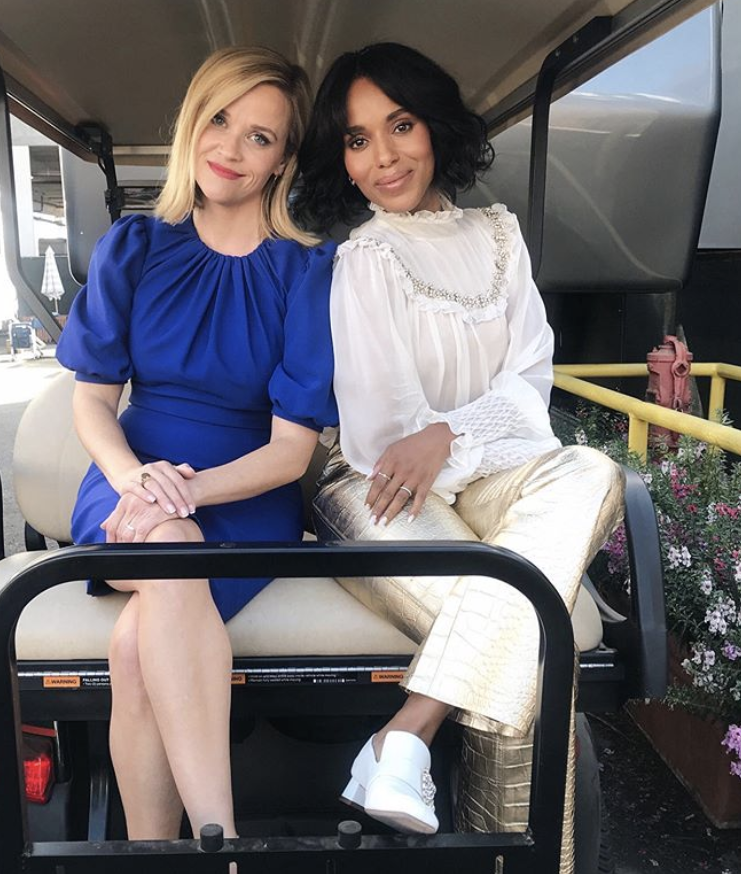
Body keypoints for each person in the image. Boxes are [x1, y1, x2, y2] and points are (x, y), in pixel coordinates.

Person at [294, 42, 623, 868]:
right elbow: (385, 435)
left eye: (399, 125)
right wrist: (456, 434)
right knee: (532, 631)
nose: (382, 157)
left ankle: (405, 735)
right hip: (375, 491)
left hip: (486, 477)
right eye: (357, 140)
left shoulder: (500, 235)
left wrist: (448, 433)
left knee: (594, 470)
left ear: (435, 126)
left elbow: (532, 380)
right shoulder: (364, 259)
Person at [55, 46, 337, 842]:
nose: (231, 148)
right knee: (170, 550)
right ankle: (225, 847)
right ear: (191, 123)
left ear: (283, 159)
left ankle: (162, 853)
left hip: (247, 494)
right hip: (128, 480)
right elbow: (93, 403)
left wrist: (188, 492)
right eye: (219, 120)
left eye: (260, 137)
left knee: (135, 645)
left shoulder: (305, 272)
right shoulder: (136, 247)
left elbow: (291, 452)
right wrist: (137, 482)